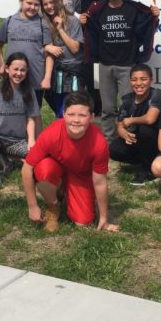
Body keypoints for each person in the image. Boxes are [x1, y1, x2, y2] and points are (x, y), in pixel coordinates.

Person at [22, 90, 119, 233]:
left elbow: (100, 181)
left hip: (81, 175)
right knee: (43, 169)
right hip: (57, 168)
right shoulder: (51, 134)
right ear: (64, 115)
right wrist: (32, 206)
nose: (76, 120)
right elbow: (27, 167)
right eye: (71, 114)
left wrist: (104, 217)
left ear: (91, 117)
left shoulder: (99, 142)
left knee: (83, 222)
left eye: (82, 115)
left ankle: (65, 192)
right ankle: (53, 205)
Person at [84, 0, 158, 143]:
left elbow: (146, 24)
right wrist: (83, 21)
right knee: (108, 108)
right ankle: (109, 141)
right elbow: (90, 29)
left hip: (127, 66)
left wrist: (154, 16)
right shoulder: (98, 10)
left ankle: (129, 139)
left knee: (129, 107)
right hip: (105, 65)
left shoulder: (133, 8)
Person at [0, 52, 40, 188]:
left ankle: (8, 159)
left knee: (36, 158)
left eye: (22, 70)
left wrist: (31, 140)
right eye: (15, 69)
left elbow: (30, 119)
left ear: (27, 71)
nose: (19, 73)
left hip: (16, 141)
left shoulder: (29, 91)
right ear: (7, 69)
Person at [0, 0, 52, 124]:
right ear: (21, 1)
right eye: (29, 3)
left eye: (36, 5)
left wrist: (47, 77)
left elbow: (49, 52)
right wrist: (2, 64)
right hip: (13, 77)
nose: (32, 7)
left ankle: (34, 143)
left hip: (35, 78)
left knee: (34, 114)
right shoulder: (9, 21)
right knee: (12, 111)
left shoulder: (42, 23)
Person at [109, 64, 161, 185]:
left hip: (156, 140)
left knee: (145, 129)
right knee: (113, 149)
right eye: (134, 80)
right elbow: (120, 125)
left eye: (143, 79)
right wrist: (124, 134)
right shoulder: (126, 99)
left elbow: (150, 119)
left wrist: (131, 120)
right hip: (136, 139)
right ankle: (144, 162)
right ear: (130, 81)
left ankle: (148, 170)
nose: (138, 83)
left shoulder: (157, 94)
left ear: (151, 80)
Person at [40, 0, 85, 118]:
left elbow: (75, 48)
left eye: (51, 2)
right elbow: (41, 46)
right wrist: (48, 48)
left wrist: (60, 29)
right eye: (45, 4)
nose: (49, 6)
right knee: (60, 111)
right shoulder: (44, 23)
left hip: (74, 70)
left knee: (72, 108)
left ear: (59, 1)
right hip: (57, 70)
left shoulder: (72, 20)